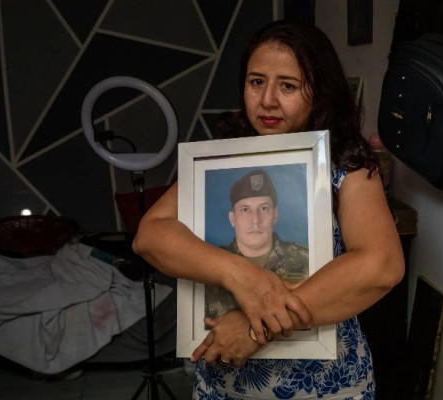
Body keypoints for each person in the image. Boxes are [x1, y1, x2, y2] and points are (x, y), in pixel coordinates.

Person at [133, 20, 404, 399]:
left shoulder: (349, 165)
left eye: (288, 86)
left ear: (320, 91)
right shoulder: (221, 161)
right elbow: (150, 236)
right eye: (257, 82)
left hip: (326, 388)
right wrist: (239, 274)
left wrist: (255, 327)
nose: (267, 101)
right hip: (223, 387)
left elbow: (381, 265)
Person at [205, 168, 309, 319]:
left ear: (275, 215)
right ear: (232, 219)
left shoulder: (306, 258)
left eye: (264, 208)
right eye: (245, 209)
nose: (255, 220)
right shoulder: (209, 267)